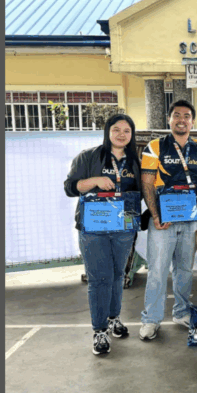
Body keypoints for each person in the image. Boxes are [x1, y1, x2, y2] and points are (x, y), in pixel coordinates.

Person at [139, 100, 197, 341]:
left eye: (186, 116)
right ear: (169, 119)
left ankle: (181, 312)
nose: (181, 120)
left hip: (191, 220)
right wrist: (155, 215)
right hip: (163, 220)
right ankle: (151, 320)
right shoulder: (155, 146)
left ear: (192, 121)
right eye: (176, 115)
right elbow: (147, 183)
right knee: (158, 270)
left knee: (184, 269)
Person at [64, 114, 141, 355]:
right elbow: (70, 188)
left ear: (131, 135)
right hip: (94, 228)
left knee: (118, 275)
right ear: (107, 131)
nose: (121, 134)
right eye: (116, 129)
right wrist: (95, 180)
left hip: (123, 229)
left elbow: (140, 192)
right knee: (99, 279)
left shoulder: (135, 161)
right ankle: (99, 330)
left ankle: (113, 318)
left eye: (126, 130)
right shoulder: (88, 156)